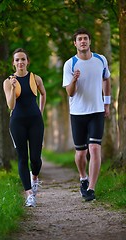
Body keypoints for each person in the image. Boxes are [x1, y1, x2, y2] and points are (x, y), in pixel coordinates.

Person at [62, 28, 111, 201]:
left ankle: (91, 188)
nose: (83, 41)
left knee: (95, 148)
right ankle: (83, 177)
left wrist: (107, 103)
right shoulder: (70, 64)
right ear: (75, 43)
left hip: (97, 111)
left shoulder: (100, 60)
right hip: (77, 113)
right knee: (81, 153)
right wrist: (74, 80)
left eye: (85, 38)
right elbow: (70, 93)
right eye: (79, 39)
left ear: (90, 41)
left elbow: (106, 79)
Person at [3, 48, 46, 207]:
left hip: (35, 122)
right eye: (17, 60)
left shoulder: (36, 78)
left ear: (27, 61)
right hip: (17, 123)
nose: (20, 62)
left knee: (35, 158)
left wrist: (40, 112)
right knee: (22, 157)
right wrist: (14, 88)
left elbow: (43, 93)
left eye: (23, 59)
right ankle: (29, 195)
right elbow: (11, 105)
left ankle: (34, 178)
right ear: (13, 63)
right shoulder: (8, 81)